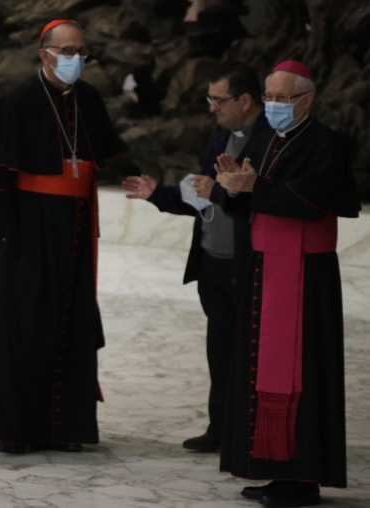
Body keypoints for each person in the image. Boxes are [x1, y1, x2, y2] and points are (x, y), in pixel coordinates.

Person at [0, 19, 126, 454]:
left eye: (81, 51)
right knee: (21, 325)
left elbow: (109, 155)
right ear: (45, 54)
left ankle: (64, 426)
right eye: (67, 51)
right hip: (28, 228)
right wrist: (6, 233)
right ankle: (12, 427)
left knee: (70, 322)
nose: (75, 59)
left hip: (75, 229)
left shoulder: (90, 99)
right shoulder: (18, 100)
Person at [215, 60, 359, 507]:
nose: (274, 106)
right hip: (264, 270)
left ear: (307, 99)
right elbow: (246, 200)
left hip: (305, 277)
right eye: (270, 97)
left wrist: (252, 187)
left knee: (304, 371)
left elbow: (315, 200)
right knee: (259, 370)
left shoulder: (326, 144)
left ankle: (303, 477)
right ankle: (274, 471)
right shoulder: (265, 138)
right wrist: (232, 188)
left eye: (283, 98)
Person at [122, 63, 271, 453]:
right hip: (213, 261)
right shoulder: (221, 139)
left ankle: (252, 432)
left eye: (218, 100)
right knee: (219, 350)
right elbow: (201, 194)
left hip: (250, 263)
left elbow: (262, 199)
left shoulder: (270, 141)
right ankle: (220, 428)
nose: (211, 108)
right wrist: (158, 194)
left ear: (244, 100)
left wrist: (227, 189)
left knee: (251, 353)